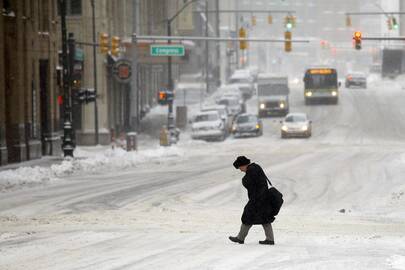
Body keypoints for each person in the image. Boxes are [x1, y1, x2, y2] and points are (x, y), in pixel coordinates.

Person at [229, 156, 275, 245]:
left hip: (257, 199)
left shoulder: (251, 170)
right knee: (264, 218)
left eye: (240, 168)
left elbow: (248, 183)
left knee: (247, 216)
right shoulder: (255, 167)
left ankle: (240, 238)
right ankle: (270, 239)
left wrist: (244, 179)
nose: (240, 170)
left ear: (243, 165)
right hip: (263, 198)